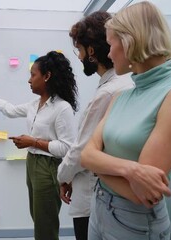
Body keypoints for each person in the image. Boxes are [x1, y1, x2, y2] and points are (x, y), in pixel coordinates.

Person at [80, 2, 171, 240]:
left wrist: (98, 164)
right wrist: (130, 169)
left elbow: (141, 193)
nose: (110, 52)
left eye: (111, 43)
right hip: (100, 206)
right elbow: (85, 155)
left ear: (129, 41)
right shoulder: (121, 97)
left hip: (134, 221)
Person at [0, 51, 78, 240]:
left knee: (45, 223)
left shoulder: (62, 108)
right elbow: (11, 110)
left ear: (47, 76)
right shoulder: (35, 104)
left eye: (33, 75)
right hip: (33, 163)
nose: (29, 81)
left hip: (49, 167)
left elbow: (67, 148)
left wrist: (33, 142)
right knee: (38, 218)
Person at [57, 11, 134, 240]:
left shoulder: (108, 92)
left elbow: (81, 151)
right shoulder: (125, 83)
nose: (79, 57)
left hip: (93, 195)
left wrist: (62, 176)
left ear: (91, 51)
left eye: (79, 49)